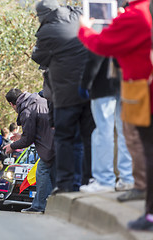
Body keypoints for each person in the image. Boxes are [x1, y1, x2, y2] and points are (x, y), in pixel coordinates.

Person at [78, 0, 152, 230]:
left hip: (136, 87)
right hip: (130, 88)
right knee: (130, 136)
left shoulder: (134, 16)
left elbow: (100, 46)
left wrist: (84, 28)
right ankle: (132, 183)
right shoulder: (144, 11)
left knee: (133, 141)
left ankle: (109, 180)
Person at [31, 0, 95, 193]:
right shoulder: (77, 15)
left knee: (65, 138)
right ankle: (86, 181)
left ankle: (66, 184)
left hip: (65, 94)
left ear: (43, 15)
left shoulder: (47, 32)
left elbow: (38, 57)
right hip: (91, 88)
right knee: (86, 138)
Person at [78, 52, 133, 193]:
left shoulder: (100, 28)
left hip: (103, 82)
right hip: (127, 79)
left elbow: (95, 53)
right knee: (124, 131)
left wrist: (85, 83)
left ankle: (104, 180)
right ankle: (127, 178)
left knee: (103, 131)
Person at [4, 89, 55, 213]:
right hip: (57, 142)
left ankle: (39, 206)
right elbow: (36, 131)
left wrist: (12, 146)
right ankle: (44, 205)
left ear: (12, 104)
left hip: (51, 146)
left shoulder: (26, 110)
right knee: (49, 173)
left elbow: (28, 140)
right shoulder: (37, 100)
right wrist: (21, 136)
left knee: (42, 171)